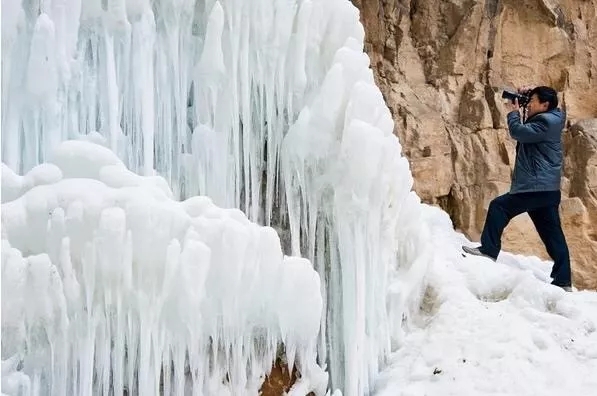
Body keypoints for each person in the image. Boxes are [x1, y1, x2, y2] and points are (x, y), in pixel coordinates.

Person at [462, 85, 572, 292]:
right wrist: (529, 95)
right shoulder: (554, 117)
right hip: (547, 189)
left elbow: (519, 132)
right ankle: (563, 280)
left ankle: (488, 249)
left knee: (499, 207)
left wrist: (513, 113)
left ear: (545, 105)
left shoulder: (545, 122)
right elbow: (531, 124)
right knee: (552, 234)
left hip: (535, 187)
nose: (528, 104)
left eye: (533, 101)